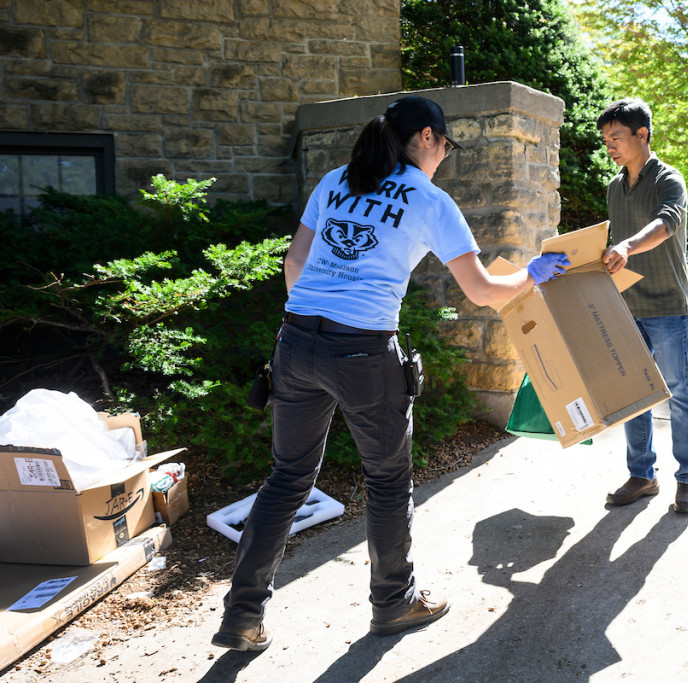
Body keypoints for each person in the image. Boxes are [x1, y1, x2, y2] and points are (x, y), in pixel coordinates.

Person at [211, 95, 570, 652]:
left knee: (287, 478)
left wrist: (315, 322)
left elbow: (294, 265)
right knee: (385, 481)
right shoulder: (429, 201)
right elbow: (480, 291)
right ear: (426, 137)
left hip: (295, 341)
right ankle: (394, 602)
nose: (444, 158)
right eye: (445, 146)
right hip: (363, 352)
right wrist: (533, 274)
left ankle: (241, 616)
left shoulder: (335, 180)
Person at [596, 98, 688, 514]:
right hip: (626, 305)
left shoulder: (668, 179)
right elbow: (615, 243)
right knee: (634, 395)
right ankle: (642, 475)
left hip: (669, 306)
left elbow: (667, 221)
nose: (611, 146)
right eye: (606, 140)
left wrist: (627, 245)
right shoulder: (614, 186)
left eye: (616, 137)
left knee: (679, 393)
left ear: (642, 134)